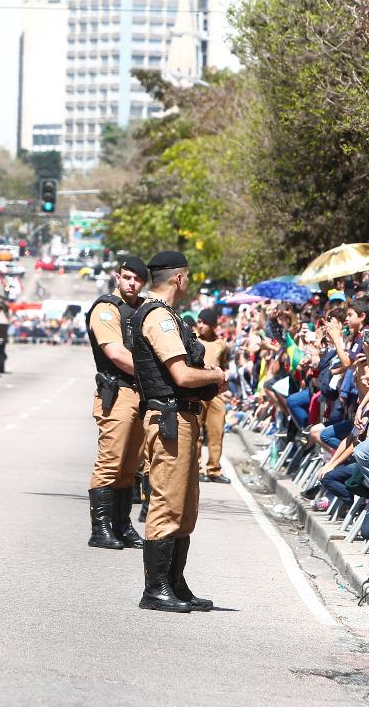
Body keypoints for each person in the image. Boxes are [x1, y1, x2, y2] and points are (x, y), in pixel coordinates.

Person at [130, 250, 226, 613]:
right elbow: (182, 376)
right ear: (179, 279)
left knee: (185, 507)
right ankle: (155, 588)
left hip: (183, 417)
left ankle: (174, 582)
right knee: (168, 502)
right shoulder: (158, 317)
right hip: (169, 418)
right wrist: (215, 376)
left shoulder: (167, 315)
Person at [85, 255, 150, 550]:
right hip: (118, 392)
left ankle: (122, 525)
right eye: (127, 277)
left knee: (130, 466)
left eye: (137, 279)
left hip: (141, 392)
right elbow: (116, 354)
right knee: (110, 462)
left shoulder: (143, 310)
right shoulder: (107, 309)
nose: (132, 283)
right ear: (118, 277)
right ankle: (100, 528)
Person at [195, 308, 232, 484]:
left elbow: (224, 364)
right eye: (199, 321)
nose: (200, 325)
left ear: (212, 325)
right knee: (196, 431)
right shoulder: (193, 339)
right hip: (197, 389)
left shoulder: (221, 344)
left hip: (216, 392)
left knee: (217, 430)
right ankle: (197, 468)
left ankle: (214, 470)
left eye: (204, 322)